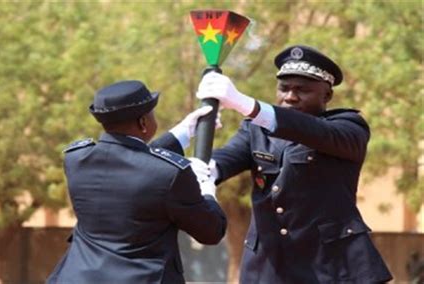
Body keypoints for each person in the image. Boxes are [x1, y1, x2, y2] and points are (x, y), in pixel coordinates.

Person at [195, 45, 393, 283]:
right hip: (269, 265)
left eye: (302, 90)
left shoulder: (349, 128)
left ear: (326, 96)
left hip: (329, 266)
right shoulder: (256, 128)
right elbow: (230, 156)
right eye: (284, 88)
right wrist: (208, 169)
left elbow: (311, 131)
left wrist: (246, 104)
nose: (290, 96)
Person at [47, 80, 226, 284]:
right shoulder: (172, 175)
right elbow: (211, 232)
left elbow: (135, 162)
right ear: (143, 122)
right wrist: (205, 186)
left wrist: (184, 132)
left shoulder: (76, 160)